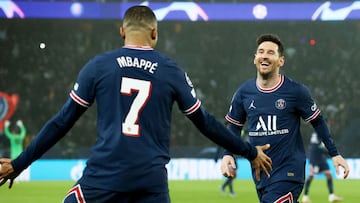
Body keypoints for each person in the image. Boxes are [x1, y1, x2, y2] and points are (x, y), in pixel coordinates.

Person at [0, 6, 272, 203]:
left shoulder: (99, 66)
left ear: (122, 32)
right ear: (154, 32)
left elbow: (62, 122)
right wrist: (249, 151)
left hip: (103, 179)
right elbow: (206, 122)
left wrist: (20, 164)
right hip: (150, 184)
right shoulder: (170, 70)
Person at [221, 33, 350, 203]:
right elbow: (234, 127)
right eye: (261, 51)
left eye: (270, 52)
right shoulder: (244, 92)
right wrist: (227, 154)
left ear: (281, 61)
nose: (264, 55)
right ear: (255, 58)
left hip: (289, 172)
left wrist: (334, 153)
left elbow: (318, 121)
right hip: (261, 174)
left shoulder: (296, 91)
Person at [301, 129, 343, 203]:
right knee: (311, 177)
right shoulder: (317, 134)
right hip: (315, 160)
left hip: (321, 159)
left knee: (329, 174)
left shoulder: (320, 133)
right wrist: (331, 153)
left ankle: (332, 196)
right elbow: (316, 148)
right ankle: (305, 197)